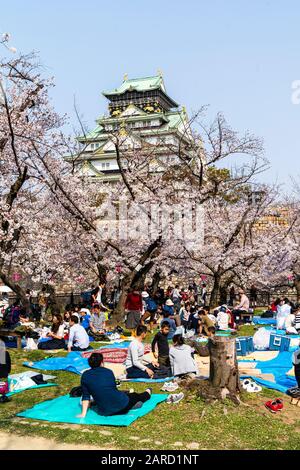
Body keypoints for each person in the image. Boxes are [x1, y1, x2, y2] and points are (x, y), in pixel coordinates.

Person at [77, 353, 152, 418]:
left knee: (125, 396)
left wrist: (83, 414)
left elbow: (86, 396)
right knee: (135, 396)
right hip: (122, 405)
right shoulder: (108, 372)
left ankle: (133, 401)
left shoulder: (85, 375)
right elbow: (113, 390)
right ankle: (147, 392)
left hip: (104, 411)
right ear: (101, 362)